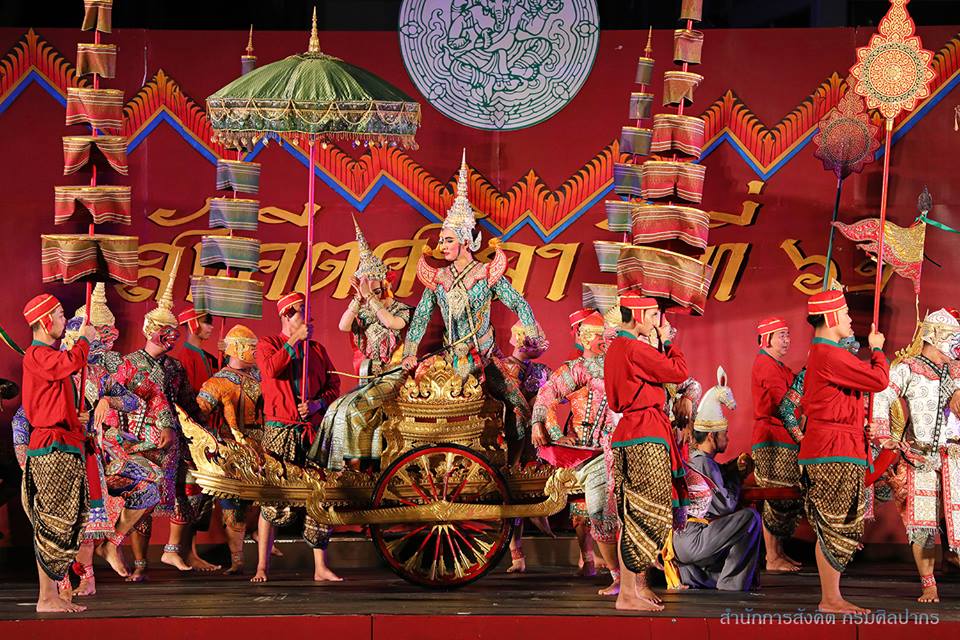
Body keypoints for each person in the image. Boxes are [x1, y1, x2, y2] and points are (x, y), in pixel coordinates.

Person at [401, 150, 545, 466]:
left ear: (466, 240)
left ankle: (513, 468)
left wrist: (531, 331)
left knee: (519, 405)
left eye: (448, 240)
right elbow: (421, 316)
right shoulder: (438, 279)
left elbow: (518, 302)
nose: (442, 246)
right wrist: (409, 353)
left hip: (485, 357)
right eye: (441, 240)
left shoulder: (485, 274)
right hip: (449, 358)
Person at [109, 277, 205, 581]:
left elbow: (188, 403)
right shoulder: (129, 364)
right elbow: (112, 401)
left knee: (188, 490)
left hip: (174, 440)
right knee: (145, 500)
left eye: (174, 332)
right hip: (139, 439)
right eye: (165, 331)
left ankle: (172, 549)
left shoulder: (175, 367)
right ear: (150, 330)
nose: (171, 337)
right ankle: (140, 563)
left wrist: (206, 426)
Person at [799, 289, 888, 614]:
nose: (851, 319)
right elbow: (878, 380)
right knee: (834, 525)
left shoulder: (828, 354)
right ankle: (830, 598)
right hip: (831, 450)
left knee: (839, 524)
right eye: (846, 313)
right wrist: (877, 350)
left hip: (839, 446)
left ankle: (832, 596)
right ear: (831, 316)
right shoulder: (829, 354)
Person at [603, 295, 689, 612]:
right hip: (645, 432)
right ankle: (628, 594)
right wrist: (668, 342)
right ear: (638, 314)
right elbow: (678, 371)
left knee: (632, 514)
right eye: (653, 315)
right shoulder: (635, 348)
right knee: (648, 512)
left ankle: (629, 592)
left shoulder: (616, 348)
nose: (656, 322)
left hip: (629, 432)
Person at [871, 308, 960, 603]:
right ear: (933, 336)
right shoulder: (908, 368)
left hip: (955, 458)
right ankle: (928, 584)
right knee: (923, 526)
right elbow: (882, 395)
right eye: (952, 337)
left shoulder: (957, 370)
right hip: (920, 458)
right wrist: (883, 434)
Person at [310, 217, 411, 471]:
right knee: (336, 409)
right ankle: (336, 467)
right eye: (366, 287)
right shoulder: (364, 311)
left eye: (375, 288)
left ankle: (355, 467)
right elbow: (343, 325)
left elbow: (391, 323)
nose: (370, 293)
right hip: (369, 377)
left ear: (385, 283)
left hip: (393, 376)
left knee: (355, 409)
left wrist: (371, 298)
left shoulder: (401, 309)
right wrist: (357, 299)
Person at [255, 291, 341, 583]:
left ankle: (320, 567)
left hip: (312, 430)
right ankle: (262, 566)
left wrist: (317, 404)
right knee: (273, 496)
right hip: (281, 429)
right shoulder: (268, 344)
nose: (308, 316)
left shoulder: (317, 349)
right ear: (286, 315)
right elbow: (270, 369)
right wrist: (293, 341)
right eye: (302, 310)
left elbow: (333, 383)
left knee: (320, 495)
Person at [532, 311, 619, 594]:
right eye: (599, 336)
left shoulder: (623, 364)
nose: (605, 341)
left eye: (607, 336)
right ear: (585, 338)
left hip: (624, 447)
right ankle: (617, 576)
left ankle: (636, 575)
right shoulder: (579, 368)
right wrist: (550, 430)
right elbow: (547, 393)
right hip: (592, 453)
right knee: (598, 513)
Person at [19, 294, 96, 612]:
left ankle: (51, 593)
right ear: (44, 321)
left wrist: (75, 418)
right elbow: (67, 363)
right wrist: (85, 341)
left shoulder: (47, 356)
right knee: (52, 523)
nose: (65, 321)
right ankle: (46, 597)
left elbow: (54, 400)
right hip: (51, 448)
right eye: (61, 314)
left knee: (65, 521)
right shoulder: (37, 354)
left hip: (63, 442)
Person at [197, 324, 264, 575]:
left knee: (261, 500)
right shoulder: (218, 381)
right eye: (250, 347)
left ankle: (258, 536)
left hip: (262, 445)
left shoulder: (261, 375)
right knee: (232, 504)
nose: (255, 352)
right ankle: (237, 558)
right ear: (237, 348)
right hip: (232, 448)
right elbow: (199, 413)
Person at [670, 407, 761, 591]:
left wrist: (735, 468)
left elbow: (721, 473)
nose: (727, 438)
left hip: (682, 542)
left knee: (729, 528)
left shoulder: (696, 460)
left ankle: (702, 578)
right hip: (694, 539)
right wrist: (737, 477)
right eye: (724, 434)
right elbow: (725, 505)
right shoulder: (703, 462)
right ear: (711, 436)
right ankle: (731, 582)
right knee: (750, 518)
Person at [749, 317, 802, 572]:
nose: (787, 340)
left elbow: (797, 387)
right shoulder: (765, 365)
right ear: (766, 339)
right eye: (781, 335)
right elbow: (785, 404)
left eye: (788, 335)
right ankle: (771, 556)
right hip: (771, 439)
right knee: (774, 496)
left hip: (783, 437)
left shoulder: (778, 366)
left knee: (786, 497)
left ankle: (778, 552)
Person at [501, 319, 551, 573]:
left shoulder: (540, 369)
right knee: (512, 489)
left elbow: (556, 390)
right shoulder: (502, 367)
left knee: (529, 485)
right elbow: (512, 400)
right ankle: (516, 553)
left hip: (536, 433)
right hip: (511, 433)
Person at [175, 307, 218, 393]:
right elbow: (187, 391)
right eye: (206, 322)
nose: (211, 327)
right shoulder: (186, 356)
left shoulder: (207, 356)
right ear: (193, 324)